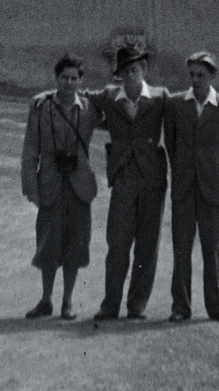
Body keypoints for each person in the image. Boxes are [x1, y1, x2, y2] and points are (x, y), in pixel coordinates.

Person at [85, 37, 169, 321]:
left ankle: (137, 305)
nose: (130, 76)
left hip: (152, 179)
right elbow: (79, 96)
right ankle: (110, 304)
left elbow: (186, 106)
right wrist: (44, 97)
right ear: (118, 75)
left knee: (147, 245)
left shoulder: (161, 97)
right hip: (123, 178)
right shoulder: (110, 96)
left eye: (135, 69)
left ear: (144, 69)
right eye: (124, 71)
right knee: (118, 244)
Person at [20, 52, 100, 319]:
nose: (68, 83)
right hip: (51, 185)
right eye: (63, 78)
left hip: (79, 185)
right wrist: (31, 188)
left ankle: (67, 301)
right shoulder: (40, 107)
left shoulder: (89, 109)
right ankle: (46, 300)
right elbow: (30, 150)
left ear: (80, 81)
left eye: (74, 78)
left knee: (76, 244)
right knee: (48, 244)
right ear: (55, 79)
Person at [163, 50, 219, 323]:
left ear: (213, 77)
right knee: (181, 249)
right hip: (184, 187)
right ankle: (180, 308)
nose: (195, 80)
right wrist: (185, 168)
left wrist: (213, 166)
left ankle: (216, 306)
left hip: (213, 187)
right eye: (192, 75)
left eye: (201, 75)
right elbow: (170, 144)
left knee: (213, 249)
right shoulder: (175, 105)